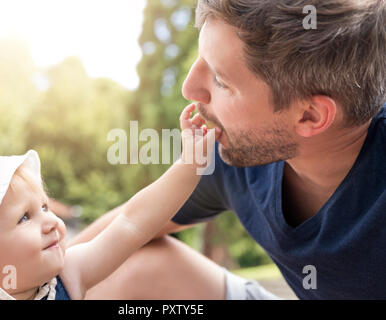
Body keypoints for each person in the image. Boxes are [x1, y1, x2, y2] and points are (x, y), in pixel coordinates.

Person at [69, 0, 386, 299]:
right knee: (138, 263)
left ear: (309, 115)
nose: (189, 88)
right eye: (201, 58)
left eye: (221, 80)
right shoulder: (237, 158)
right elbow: (124, 227)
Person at [0, 104, 218, 300]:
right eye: (24, 217)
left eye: (44, 207)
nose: (50, 221)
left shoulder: (69, 276)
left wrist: (191, 163)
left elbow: (132, 222)